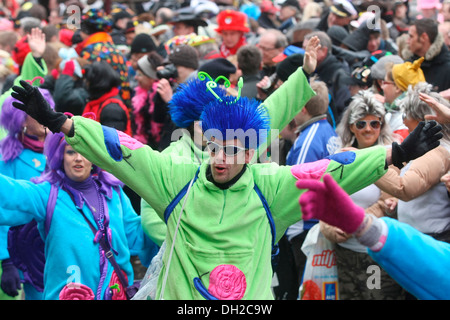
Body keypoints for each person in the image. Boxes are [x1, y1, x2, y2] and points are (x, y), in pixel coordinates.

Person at [9, 54, 443, 300]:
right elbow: (122, 148)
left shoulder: (270, 185)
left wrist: (397, 152)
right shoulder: (175, 173)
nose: (220, 155)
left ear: (250, 152)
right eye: (214, 145)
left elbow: (330, 169)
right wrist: (62, 122)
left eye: (233, 148)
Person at [0, 130, 158, 300]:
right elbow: (11, 193)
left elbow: (139, 235)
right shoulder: (48, 195)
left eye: (84, 152)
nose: (78, 158)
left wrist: (165, 222)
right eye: (71, 152)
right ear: (60, 156)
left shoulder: (114, 193)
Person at [296, 171, 450, 300]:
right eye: (360, 130)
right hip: (346, 253)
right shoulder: (341, 158)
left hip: (372, 260)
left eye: (376, 130)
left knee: (374, 293)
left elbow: (395, 193)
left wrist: (363, 224)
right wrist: (336, 229)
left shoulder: (389, 162)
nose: (367, 132)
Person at [325, 90, 405, 300]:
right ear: (351, 127)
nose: (368, 129)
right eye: (361, 124)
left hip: (375, 256)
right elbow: (326, 200)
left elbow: (387, 202)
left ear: (381, 126)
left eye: (374, 123)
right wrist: (331, 228)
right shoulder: (340, 158)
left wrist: (353, 223)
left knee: (375, 297)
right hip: (344, 254)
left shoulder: (391, 159)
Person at [276, 79, 337, 299]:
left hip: (306, 227)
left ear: (303, 108)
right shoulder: (327, 129)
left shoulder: (309, 139)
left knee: (306, 288)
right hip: (318, 223)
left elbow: (296, 184)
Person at [374, 82, 450, 244]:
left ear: (421, 119)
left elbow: (405, 188)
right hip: (424, 236)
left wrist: (367, 166)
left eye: (405, 116)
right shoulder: (430, 148)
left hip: (431, 239)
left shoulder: (437, 150)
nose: (404, 122)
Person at [0, 88, 54, 300]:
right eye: (36, 111)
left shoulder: (63, 151)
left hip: (58, 248)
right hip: (24, 251)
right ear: (21, 119)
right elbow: (2, 212)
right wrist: (6, 260)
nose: (44, 115)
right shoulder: (7, 158)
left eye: (47, 108)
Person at [303, 31, 351, 127]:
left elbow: (344, 110)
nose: (305, 53)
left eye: (309, 48)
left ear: (324, 51)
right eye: (304, 48)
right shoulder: (312, 69)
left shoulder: (339, 74)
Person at [381, 57, 426, 142]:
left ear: (397, 87)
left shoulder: (405, 120)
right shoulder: (393, 114)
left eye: (385, 82)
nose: (382, 87)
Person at [82, 61, 132, 136]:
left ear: (97, 83)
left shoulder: (112, 109)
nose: (85, 83)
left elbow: (112, 142)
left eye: (88, 80)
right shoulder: (97, 101)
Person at [403, 18, 450, 92]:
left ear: (423, 37)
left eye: (411, 36)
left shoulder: (447, 68)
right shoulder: (407, 65)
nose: (407, 41)